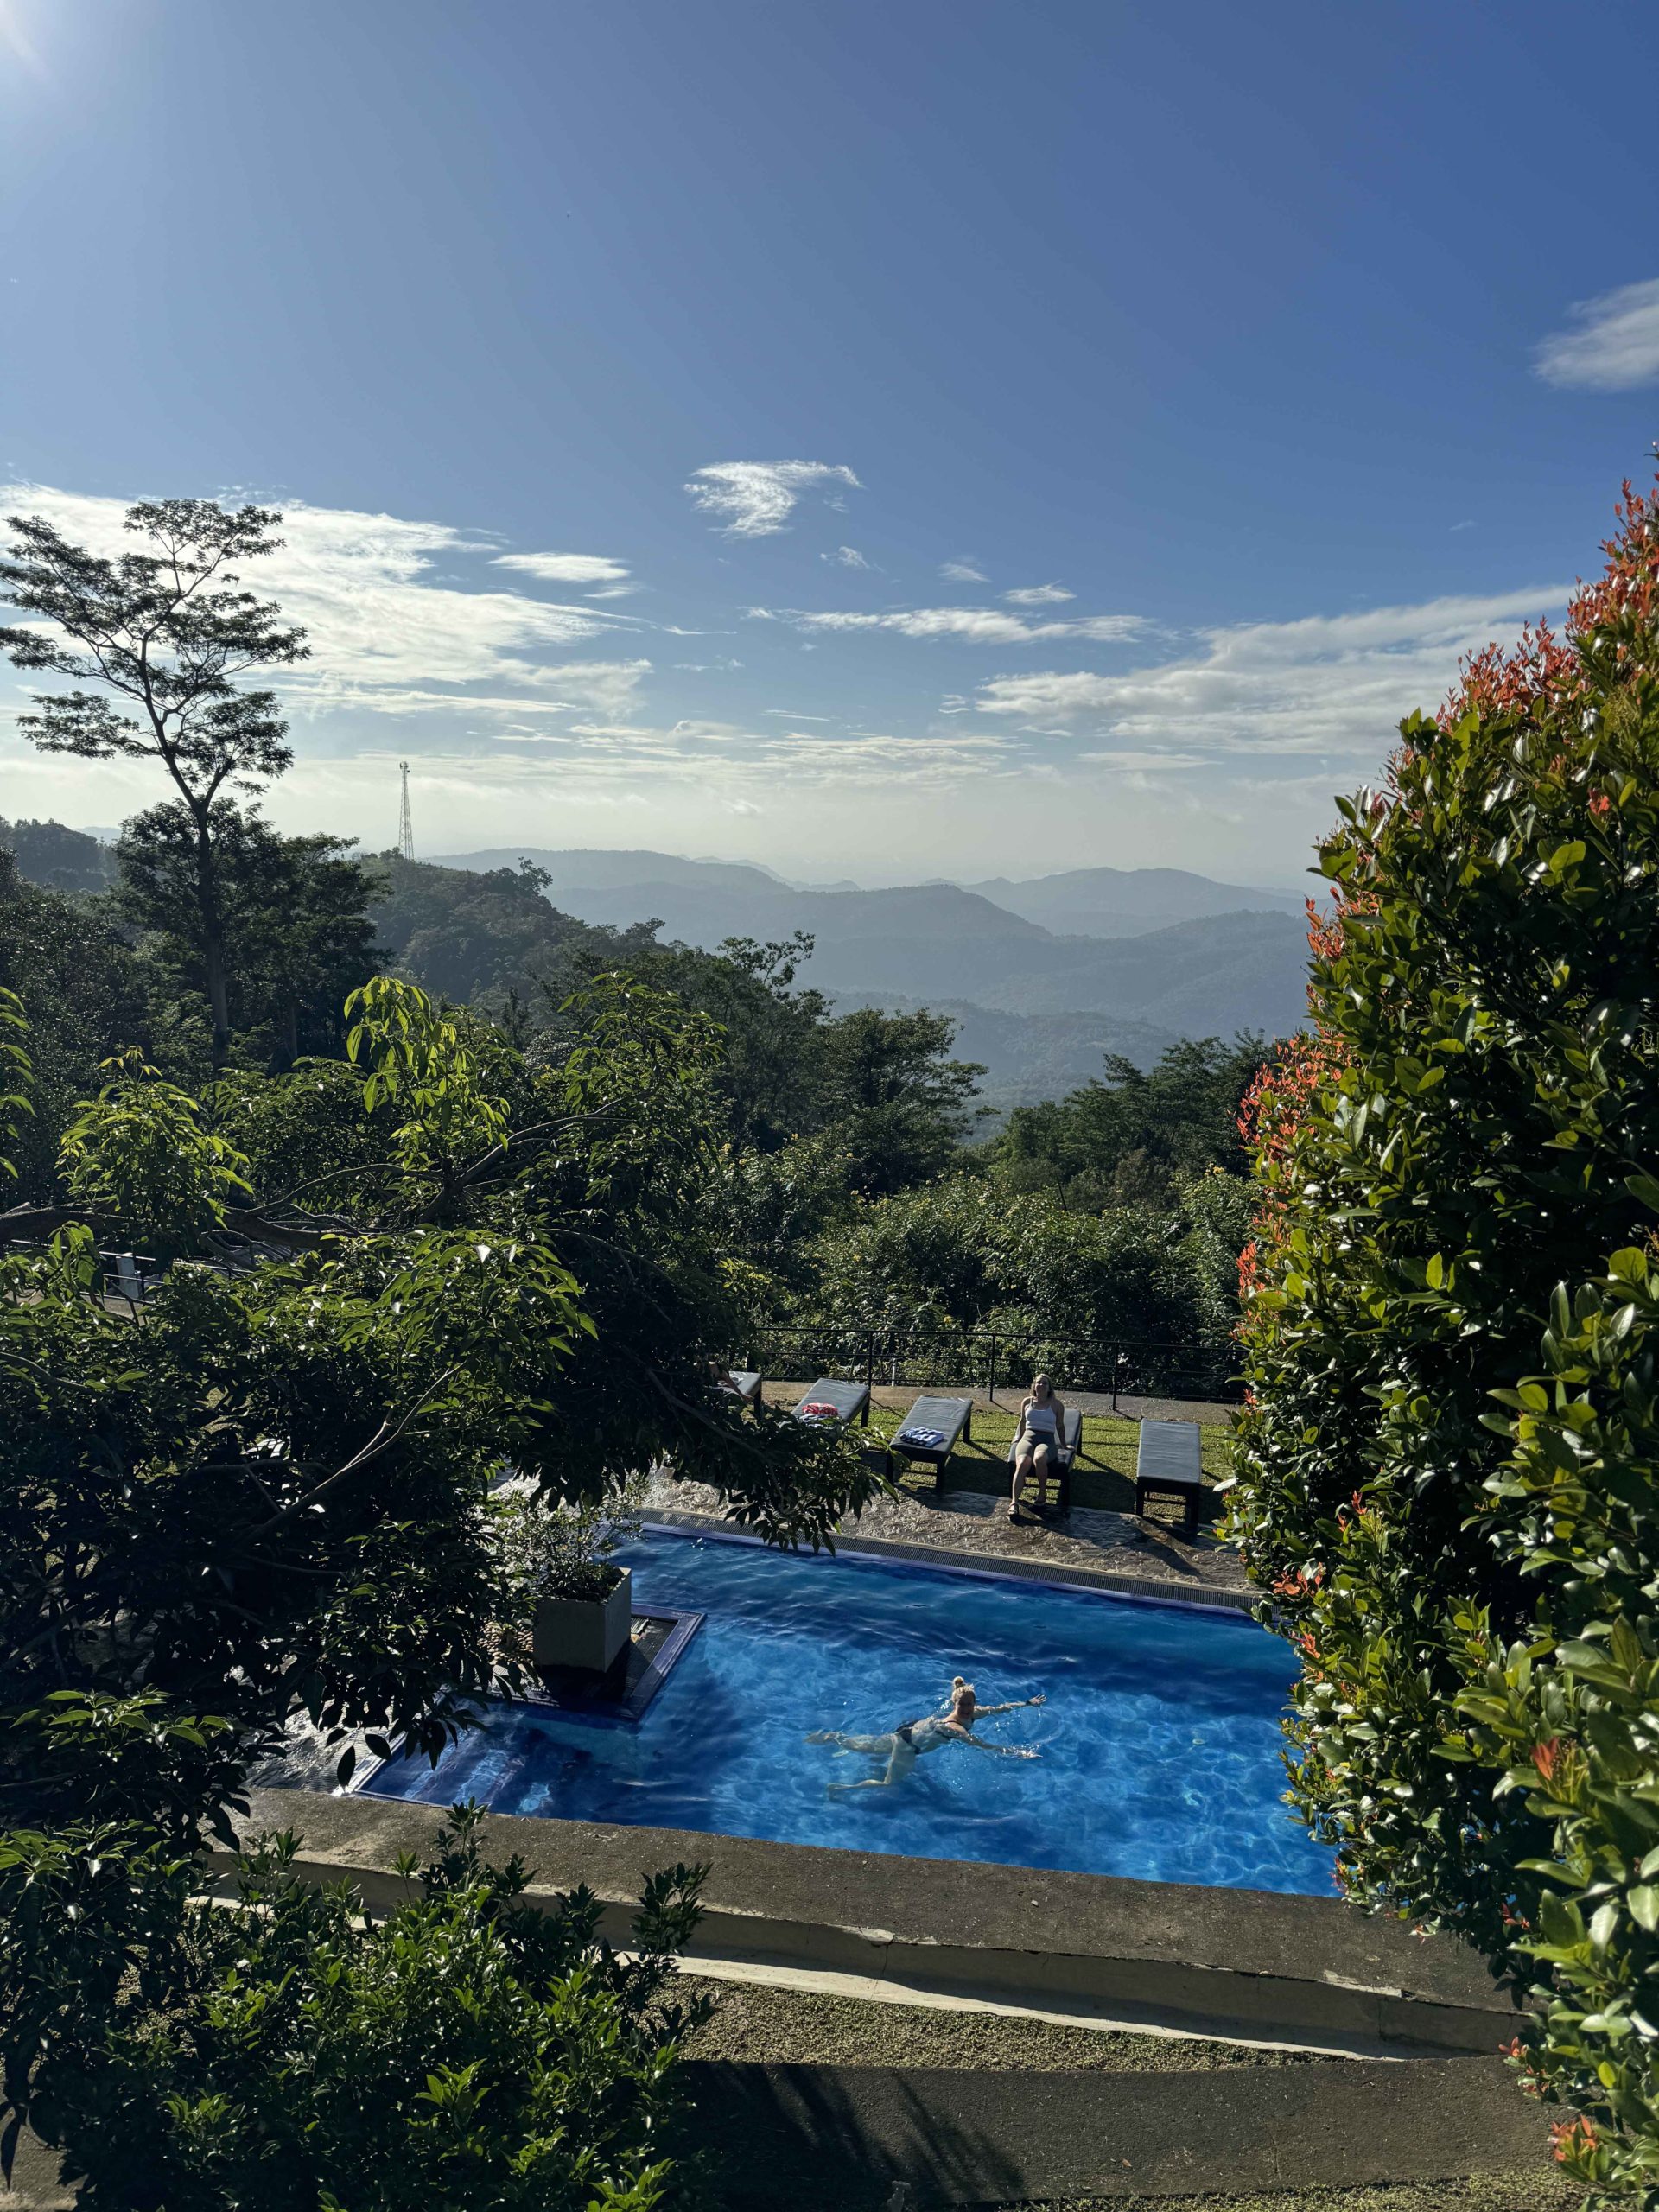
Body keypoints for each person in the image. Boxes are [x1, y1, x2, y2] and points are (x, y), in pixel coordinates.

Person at [807, 1676, 1046, 1794]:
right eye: (962, 1705)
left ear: (975, 1703)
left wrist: (1026, 1703)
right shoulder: (955, 1726)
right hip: (908, 1747)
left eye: (969, 1704)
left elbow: (1001, 1708)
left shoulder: (977, 1712)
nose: (966, 1709)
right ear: (955, 1704)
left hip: (907, 1732)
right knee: (888, 1783)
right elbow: (981, 1745)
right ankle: (841, 1788)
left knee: (863, 1747)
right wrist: (1016, 1753)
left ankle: (834, 1737)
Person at [1010, 1372, 1068, 1523]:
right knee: (1022, 1462)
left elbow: (1060, 1426)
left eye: (1044, 1383)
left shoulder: (1056, 1405)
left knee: (1040, 1458)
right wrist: (1018, 1437)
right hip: (1028, 1437)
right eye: (1038, 1383)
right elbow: (1022, 1422)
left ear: (1049, 1388)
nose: (1041, 1385)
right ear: (1034, 1386)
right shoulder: (1027, 1401)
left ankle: (1042, 1494)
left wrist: (1063, 1444)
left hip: (1046, 1439)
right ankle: (1014, 1502)